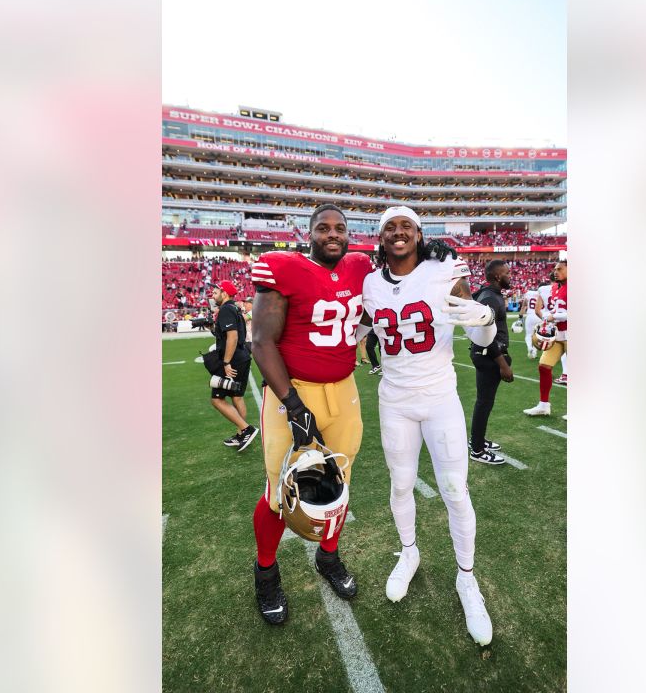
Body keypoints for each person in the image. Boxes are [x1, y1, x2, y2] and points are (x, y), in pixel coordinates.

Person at [362, 205, 498, 646]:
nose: (398, 232)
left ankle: (466, 578)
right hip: (395, 400)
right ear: (380, 238)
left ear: (419, 233)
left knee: (455, 490)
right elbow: (361, 331)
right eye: (390, 227)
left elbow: (477, 331)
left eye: (406, 226)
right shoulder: (369, 283)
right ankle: (409, 552)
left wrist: (487, 322)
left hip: (440, 399)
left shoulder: (445, 269)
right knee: (400, 484)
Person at [248, 203, 373, 625]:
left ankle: (328, 556)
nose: (332, 234)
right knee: (281, 490)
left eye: (340, 227)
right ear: (309, 233)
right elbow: (261, 341)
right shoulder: (282, 267)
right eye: (323, 228)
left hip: (344, 390)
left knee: (337, 483)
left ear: (348, 234)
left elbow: (399, 271)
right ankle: (266, 573)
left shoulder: (359, 266)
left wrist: (433, 253)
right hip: (294, 392)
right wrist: (293, 405)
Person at [468, 260, 512, 465]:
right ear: (497, 276)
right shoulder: (490, 299)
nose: (510, 276)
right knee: (484, 402)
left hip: (485, 353)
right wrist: (503, 364)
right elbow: (488, 336)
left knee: (484, 402)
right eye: (507, 273)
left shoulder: (488, 294)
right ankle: (477, 449)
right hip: (488, 355)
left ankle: (478, 440)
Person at [209, 281, 258, 450]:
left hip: (234, 359)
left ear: (225, 293)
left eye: (216, 292)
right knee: (237, 397)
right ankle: (241, 435)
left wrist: (226, 362)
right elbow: (228, 334)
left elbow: (233, 337)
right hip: (243, 356)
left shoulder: (226, 309)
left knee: (217, 399)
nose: (213, 295)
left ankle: (246, 430)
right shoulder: (235, 308)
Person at [524, 258, 569, 418]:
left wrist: (552, 316)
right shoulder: (556, 287)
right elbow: (555, 310)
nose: (555, 272)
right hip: (559, 334)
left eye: (560, 269)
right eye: (555, 269)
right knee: (544, 366)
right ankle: (544, 405)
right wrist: (547, 318)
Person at [523, 287, 542, 359]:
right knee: (537, 336)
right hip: (539, 315)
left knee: (528, 335)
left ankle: (529, 347)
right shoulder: (541, 294)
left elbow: (523, 306)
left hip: (530, 316)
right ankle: (534, 353)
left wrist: (520, 316)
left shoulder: (528, 294)